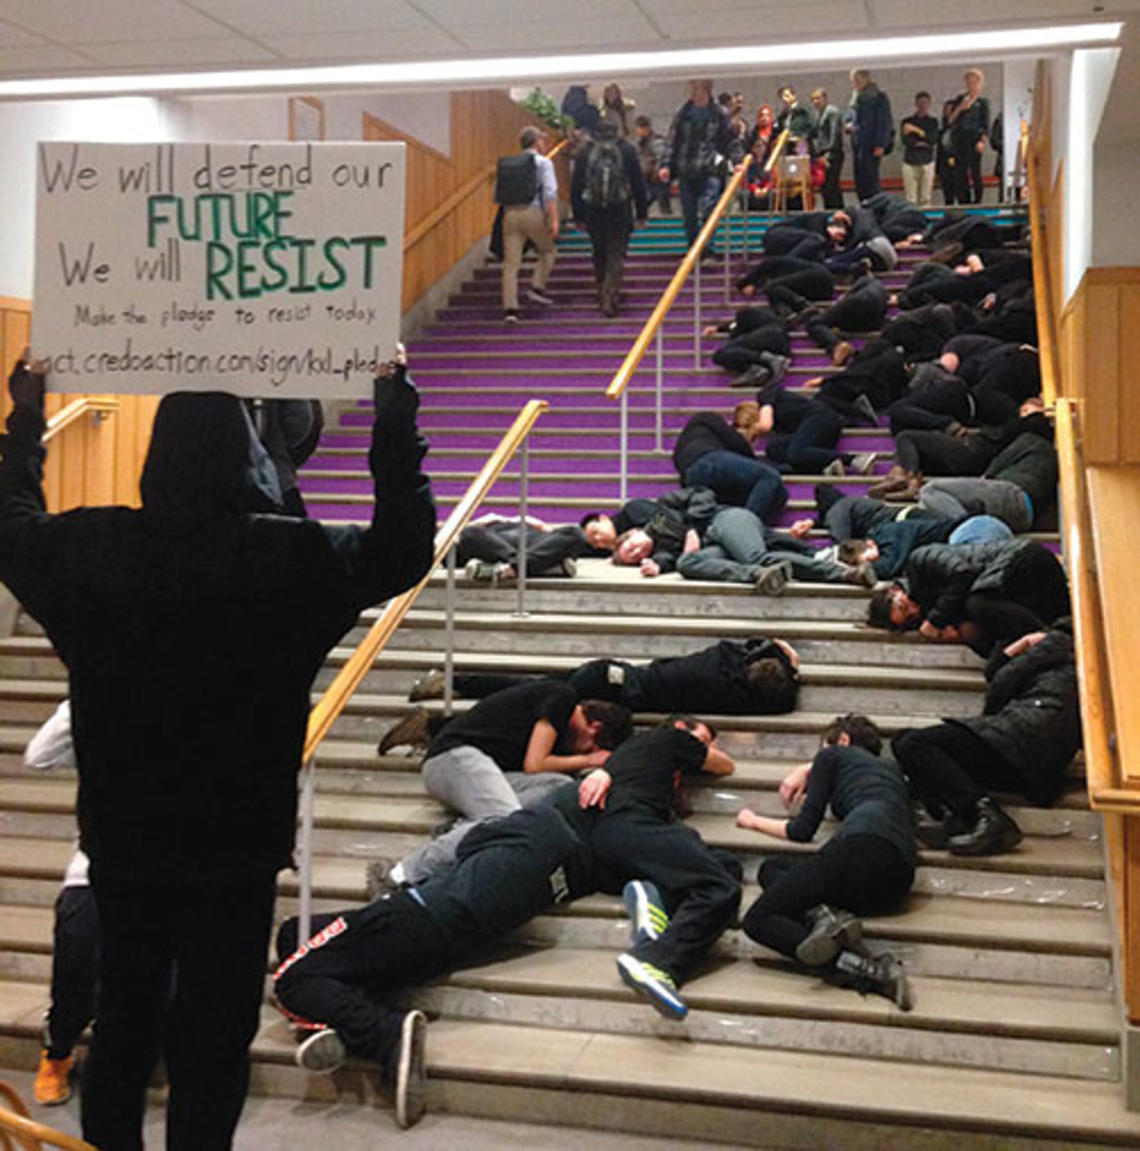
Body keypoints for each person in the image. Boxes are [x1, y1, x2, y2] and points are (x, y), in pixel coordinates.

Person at [0, 351, 436, 1150]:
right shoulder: (291, 558)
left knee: (124, 1022)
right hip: (236, 852)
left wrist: (27, 416)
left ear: (152, 458)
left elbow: (9, 521)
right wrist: (391, 404)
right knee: (212, 1039)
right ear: (247, 459)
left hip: (124, 845)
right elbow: (404, 547)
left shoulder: (93, 552)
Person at [273, 805, 597, 1127]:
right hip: (448, 943)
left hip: (416, 913)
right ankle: (336, 1021)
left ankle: (387, 1034)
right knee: (294, 933)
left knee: (291, 979)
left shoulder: (542, 821)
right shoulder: (576, 871)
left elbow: (470, 842)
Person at [370, 680, 632, 892]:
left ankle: (461, 830)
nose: (583, 755)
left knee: (561, 786)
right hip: (453, 758)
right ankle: (398, 874)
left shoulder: (559, 712)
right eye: (592, 748)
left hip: (481, 770)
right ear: (595, 728)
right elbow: (535, 764)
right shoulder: (562, 697)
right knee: (501, 818)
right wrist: (588, 759)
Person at [562, 715, 739, 1019]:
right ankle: (655, 960)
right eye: (703, 739)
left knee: (725, 864)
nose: (703, 747)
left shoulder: (631, 753)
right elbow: (725, 765)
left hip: (608, 844)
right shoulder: (669, 737)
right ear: (682, 729)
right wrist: (702, 749)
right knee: (720, 887)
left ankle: (651, 896)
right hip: (632, 824)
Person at [737, 715, 914, 1009]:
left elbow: (802, 830)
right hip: (897, 878)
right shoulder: (891, 769)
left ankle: (867, 969)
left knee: (758, 920)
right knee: (773, 870)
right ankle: (827, 918)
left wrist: (752, 821)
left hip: (860, 848)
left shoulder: (832, 755)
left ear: (842, 739)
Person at [893, 621, 1079, 856]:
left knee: (914, 744)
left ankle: (985, 816)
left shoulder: (1056, 641)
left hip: (1023, 737)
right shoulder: (1077, 654)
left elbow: (999, 682)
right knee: (905, 741)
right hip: (1036, 757)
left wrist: (1023, 644)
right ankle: (959, 818)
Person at [408, 635, 803, 716]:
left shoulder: (721, 659)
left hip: (610, 676)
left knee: (531, 688)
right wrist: (793, 678)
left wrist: (784, 656)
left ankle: (456, 682)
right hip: (614, 686)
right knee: (529, 693)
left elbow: (753, 643)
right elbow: (782, 702)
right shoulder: (731, 695)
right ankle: (454, 685)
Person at [24, 701, 97, 1107]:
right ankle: (58, 1052)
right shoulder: (95, 706)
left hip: (169, 874)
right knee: (76, 960)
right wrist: (80, 699)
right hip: (94, 869)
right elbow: (38, 757)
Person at [866, 538, 1071, 657]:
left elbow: (964, 574)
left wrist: (936, 620)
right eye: (909, 617)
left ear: (895, 591)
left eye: (903, 606)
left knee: (977, 603)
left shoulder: (919, 561)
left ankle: (1054, 641)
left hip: (1023, 562)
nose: (914, 611)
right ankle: (1052, 643)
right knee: (977, 634)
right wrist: (956, 634)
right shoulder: (934, 610)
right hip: (1022, 599)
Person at [571, 118, 649, 316]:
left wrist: (578, 215)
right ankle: (609, 295)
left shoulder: (585, 152)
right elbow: (638, 182)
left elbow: (576, 185)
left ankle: (602, 290)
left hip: (593, 209)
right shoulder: (627, 150)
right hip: (620, 209)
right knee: (616, 253)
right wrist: (642, 212)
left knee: (599, 251)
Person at [660, 79, 743, 250]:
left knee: (709, 208)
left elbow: (730, 140)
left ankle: (708, 248)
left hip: (710, 168)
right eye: (692, 89)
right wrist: (666, 164)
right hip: (686, 168)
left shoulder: (720, 113)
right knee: (688, 214)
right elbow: (672, 140)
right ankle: (693, 248)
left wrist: (737, 161)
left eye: (697, 88)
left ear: (707, 90)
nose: (694, 93)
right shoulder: (683, 113)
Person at [672, 411, 788, 522]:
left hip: (692, 477)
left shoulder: (685, 442)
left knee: (775, 493)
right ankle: (745, 526)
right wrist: (754, 461)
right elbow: (735, 441)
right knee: (770, 477)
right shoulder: (707, 418)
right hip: (710, 459)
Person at [499, 125, 559, 324]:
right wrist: (554, 219)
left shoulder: (509, 164)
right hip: (533, 212)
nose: (543, 143)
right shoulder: (543, 163)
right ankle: (536, 287)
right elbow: (550, 193)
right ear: (536, 142)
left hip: (509, 214)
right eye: (541, 140)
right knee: (548, 251)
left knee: (511, 264)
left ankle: (510, 309)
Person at [457, 513, 587, 581]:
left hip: (537, 547)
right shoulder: (486, 528)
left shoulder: (539, 529)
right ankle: (540, 569)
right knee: (469, 533)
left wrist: (546, 528)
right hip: (501, 551)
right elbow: (446, 556)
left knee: (575, 533)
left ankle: (507, 570)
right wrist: (473, 524)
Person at [848, 68, 892, 200]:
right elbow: (850, 116)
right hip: (858, 143)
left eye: (857, 80)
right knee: (860, 179)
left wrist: (880, 144)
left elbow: (885, 122)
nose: (855, 84)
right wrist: (848, 124)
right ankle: (863, 204)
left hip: (871, 144)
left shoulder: (879, 97)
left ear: (866, 79)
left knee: (870, 179)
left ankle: (875, 205)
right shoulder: (855, 99)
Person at [948, 69, 990, 204]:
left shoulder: (983, 102)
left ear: (980, 84)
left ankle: (978, 201)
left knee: (975, 171)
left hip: (974, 140)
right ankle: (963, 200)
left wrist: (982, 141)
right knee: (961, 172)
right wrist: (960, 107)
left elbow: (986, 124)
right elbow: (950, 120)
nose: (971, 85)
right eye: (969, 82)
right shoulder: (960, 99)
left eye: (974, 83)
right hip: (960, 140)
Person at [900, 92, 939, 207]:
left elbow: (932, 140)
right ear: (915, 104)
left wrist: (916, 131)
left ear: (929, 104)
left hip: (927, 162)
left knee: (925, 197)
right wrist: (922, 140)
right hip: (910, 162)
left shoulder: (933, 122)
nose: (923, 105)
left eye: (925, 103)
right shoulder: (907, 121)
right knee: (910, 198)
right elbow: (906, 141)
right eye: (920, 102)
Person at [810, 88, 844, 209]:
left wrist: (829, 153)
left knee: (832, 186)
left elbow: (835, 134)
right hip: (822, 155)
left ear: (825, 98)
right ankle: (829, 211)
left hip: (831, 154)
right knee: (825, 187)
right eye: (813, 99)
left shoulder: (832, 112)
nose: (815, 102)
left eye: (818, 98)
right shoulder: (819, 114)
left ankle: (836, 211)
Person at [634, 115, 671, 214]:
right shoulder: (640, 144)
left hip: (656, 181)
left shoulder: (656, 141)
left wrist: (656, 171)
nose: (640, 131)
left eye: (642, 128)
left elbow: (661, 158)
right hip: (646, 179)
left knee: (663, 206)